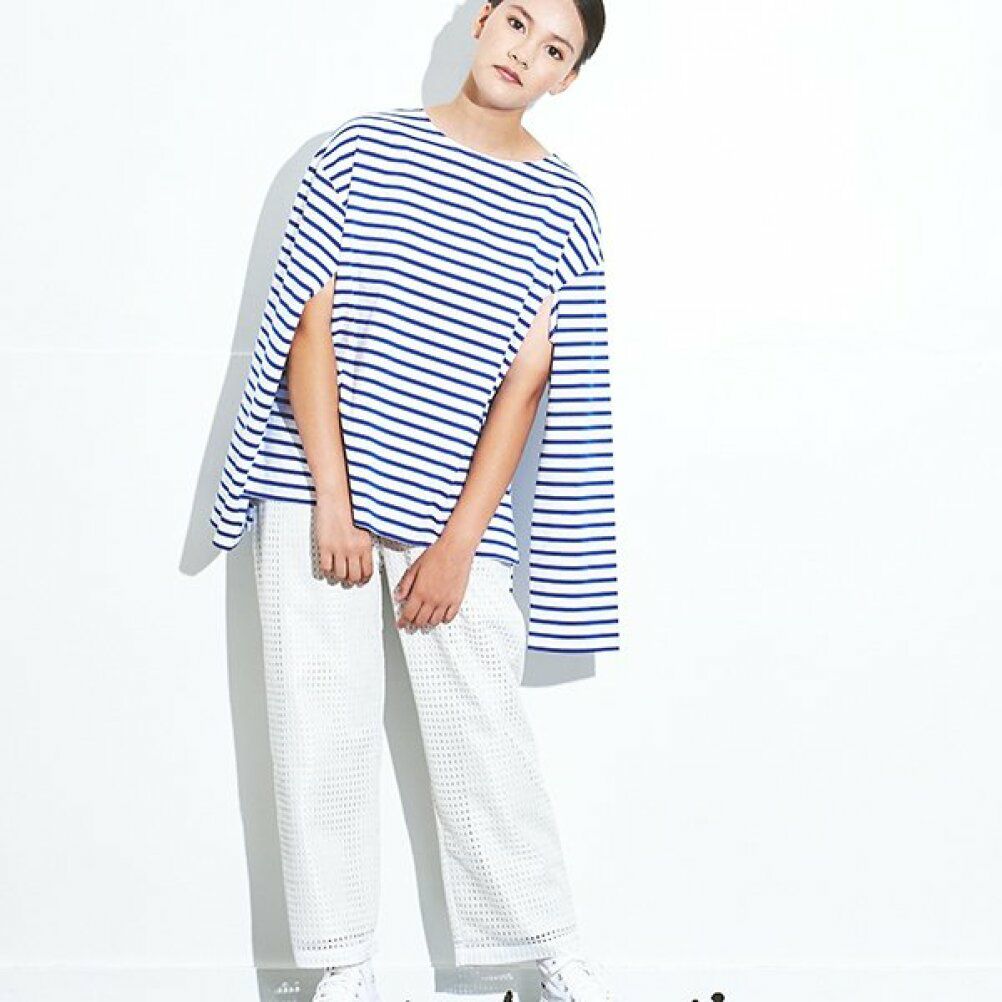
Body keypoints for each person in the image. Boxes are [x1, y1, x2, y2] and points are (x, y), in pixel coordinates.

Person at [210, 2, 620, 999]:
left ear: (566, 78)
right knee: (320, 726)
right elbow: (308, 326)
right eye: (517, 21)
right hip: (312, 484)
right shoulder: (358, 153)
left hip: (453, 508)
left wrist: (459, 545)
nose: (524, 51)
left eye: (554, 48)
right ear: (481, 20)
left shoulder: (564, 206)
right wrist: (334, 502)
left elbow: (528, 383)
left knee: (483, 730)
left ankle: (547, 951)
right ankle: (340, 968)